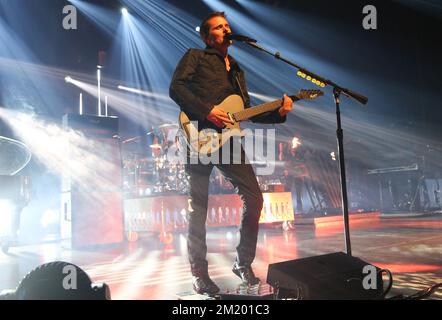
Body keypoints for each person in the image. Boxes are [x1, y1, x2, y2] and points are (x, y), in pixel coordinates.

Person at [169, 12, 294, 295]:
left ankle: (242, 262)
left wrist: (280, 113)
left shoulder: (237, 70)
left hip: (227, 142)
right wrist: (207, 110)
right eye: (219, 27)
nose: (226, 29)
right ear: (206, 36)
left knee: (255, 198)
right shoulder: (196, 56)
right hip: (197, 136)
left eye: (227, 25)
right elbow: (175, 87)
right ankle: (199, 274)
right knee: (198, 209)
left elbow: (246, 113)